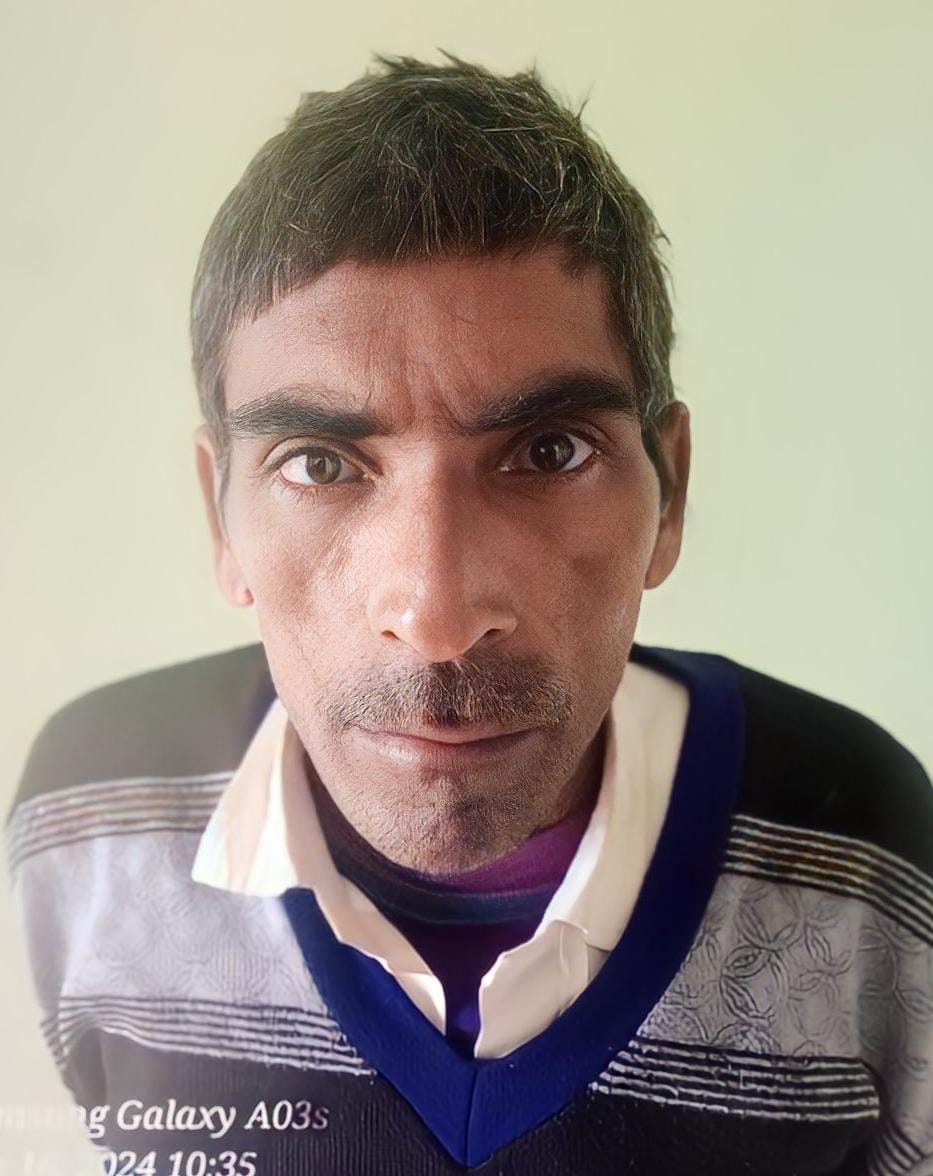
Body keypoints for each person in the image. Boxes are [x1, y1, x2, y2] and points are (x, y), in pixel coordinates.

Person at [6, 50, 932, 1176]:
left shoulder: (865, 858)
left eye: (548, 452)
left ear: (670, 491)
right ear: (221, 516)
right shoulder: (88, 827)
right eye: (319, 463)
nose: (437, 615)